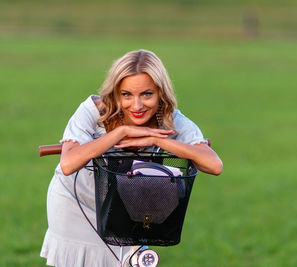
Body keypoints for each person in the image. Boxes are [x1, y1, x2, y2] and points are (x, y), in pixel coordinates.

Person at [40, 49, 223, 266]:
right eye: (126, 95)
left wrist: (157, 140)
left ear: (161, 93)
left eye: (147, 94)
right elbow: (68, 164)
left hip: (125, 206)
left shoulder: (169, 118)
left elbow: (214, 165)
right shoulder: (93, 111)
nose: (136, 106)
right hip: (76, 203)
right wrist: (121, 133)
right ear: (116, 93)